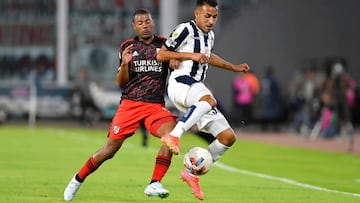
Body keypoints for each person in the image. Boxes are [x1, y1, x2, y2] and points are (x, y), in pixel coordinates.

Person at [63, 8, 178, 201]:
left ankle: (155, 183)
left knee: (171, 136)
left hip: (155, 105)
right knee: (108, 151)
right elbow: (120, 83)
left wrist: (175, 61)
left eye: (147, 21)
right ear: (134, 26)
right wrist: (125, 64)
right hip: (130, 105)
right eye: (140, 23)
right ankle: (77, 179)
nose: (145, 26)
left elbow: (178, 63)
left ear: (153, 23)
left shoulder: (166, 44)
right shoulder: (127, 46)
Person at [156, 0, 250, 200]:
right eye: (207, 16)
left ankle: (191, 174)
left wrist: (233, 67)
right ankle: (175, 135)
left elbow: (208, 57)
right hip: (180, 83)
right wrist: (189, 55)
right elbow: (162, 54)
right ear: (197, 13)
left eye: (214, 17)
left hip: (196, 91)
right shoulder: (185, 29)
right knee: (209, 99)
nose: (211, 21)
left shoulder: (210, 36)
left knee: (227, 137)